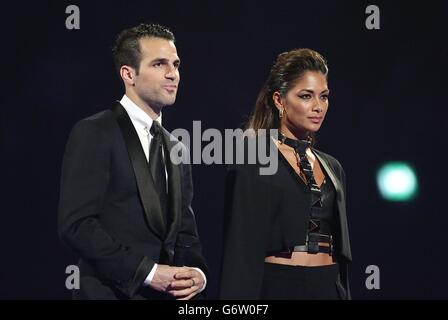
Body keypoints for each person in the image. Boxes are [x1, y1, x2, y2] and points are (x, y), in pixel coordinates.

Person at [58, 23, 208, 300]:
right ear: (129, 73)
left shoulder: (178, 148)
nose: (173, 73)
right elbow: (77, 225)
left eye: (175, 64)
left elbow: (185, 231)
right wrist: (147, 272)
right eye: (159, 64)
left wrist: (198, 274)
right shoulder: (95, 131)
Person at [219, 48, 352, 299]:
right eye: (306, 96)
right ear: (279, 100)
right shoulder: (253, 156)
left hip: (327, 286)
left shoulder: (332, 167)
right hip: (280, 286)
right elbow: (240, 248)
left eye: (324, 97)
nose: (317, 106)